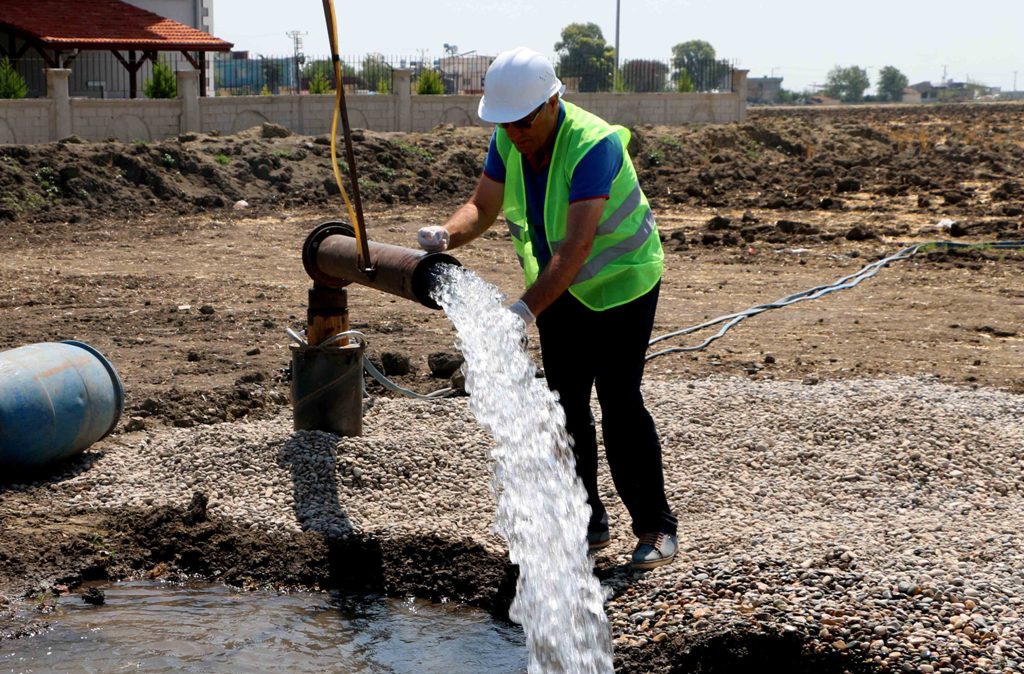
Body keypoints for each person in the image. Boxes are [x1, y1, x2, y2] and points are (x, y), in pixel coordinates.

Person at [417, 47, 677, 570]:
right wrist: (447, 234)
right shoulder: (509, 138)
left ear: (553, 101)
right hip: (557, 290)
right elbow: (482, 206)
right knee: (566, 406)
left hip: (622, 284)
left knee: (620, 402)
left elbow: (576, 247)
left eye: (523, 121)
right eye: (505, 123)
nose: (515, 132)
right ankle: (587, 522)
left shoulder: (594, 145)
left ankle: (656, 528)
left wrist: (523, 311)